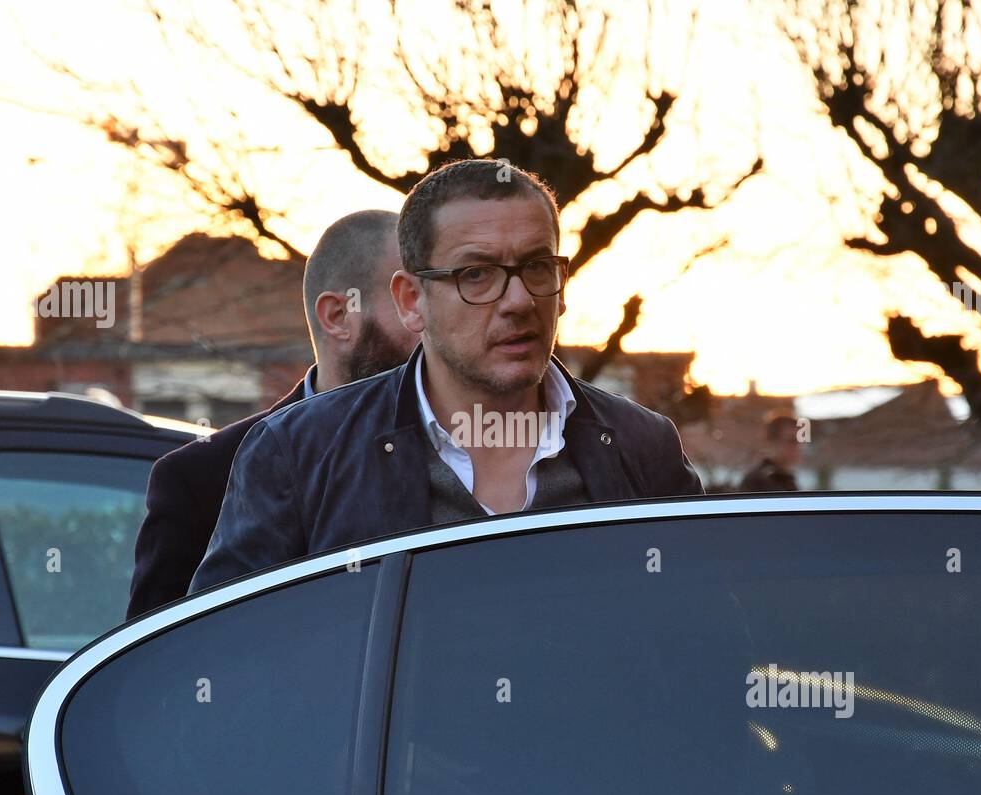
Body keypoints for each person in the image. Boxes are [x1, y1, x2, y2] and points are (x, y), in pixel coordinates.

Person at [189, 159, 703, 594]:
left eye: (538, 267)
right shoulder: (299, 455)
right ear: (412, 301)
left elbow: (708, 641)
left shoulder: (642, 450)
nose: (519, 301)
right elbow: (226, 660)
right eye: (476, 274)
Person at [126, 209, 418, 618]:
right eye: (408, 298)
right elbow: (157, 663)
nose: (429, 319)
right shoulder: (201, 477)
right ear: (337, 316)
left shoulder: (462, 450)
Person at [738, 412, 802, 492]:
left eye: (800, 441)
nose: (797, 446)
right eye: (791, 440)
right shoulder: (757, 481)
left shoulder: (785, 479)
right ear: (771, 441)